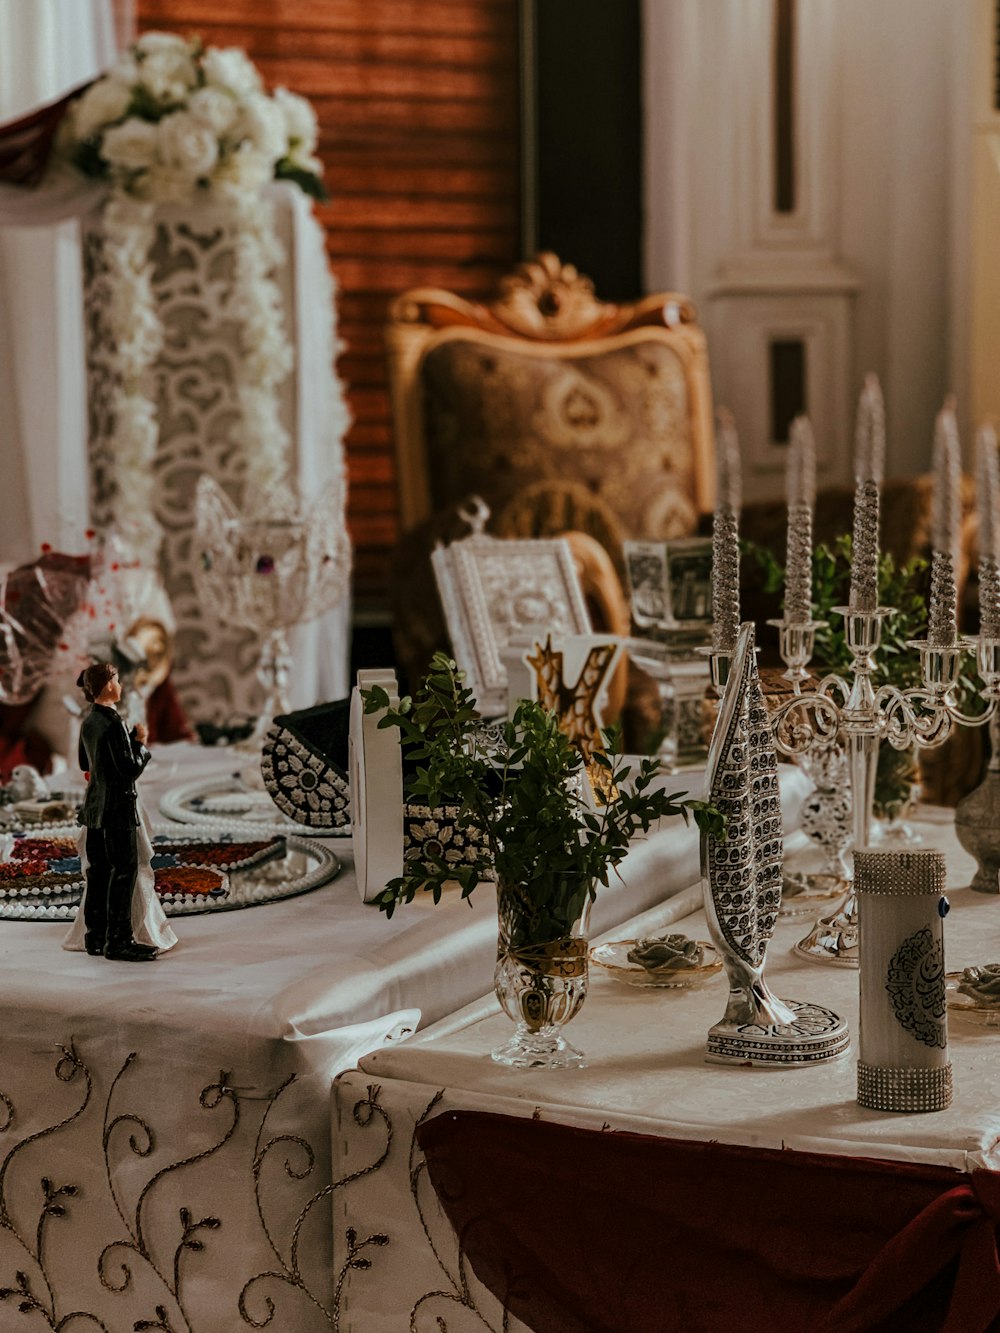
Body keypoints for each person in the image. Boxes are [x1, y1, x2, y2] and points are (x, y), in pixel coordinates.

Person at [69, 661, 175, 961]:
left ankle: (95, 936)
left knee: (99, 872)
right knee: (124, 872)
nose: (121, 685)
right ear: (107, 685)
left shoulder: (89, 722)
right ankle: (119, 941)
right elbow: (128, 769)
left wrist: (124, 744)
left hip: (94, 810)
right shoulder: (113, 722)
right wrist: (139, 744)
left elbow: (85, 763)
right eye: (116, 679)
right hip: (116, 809)